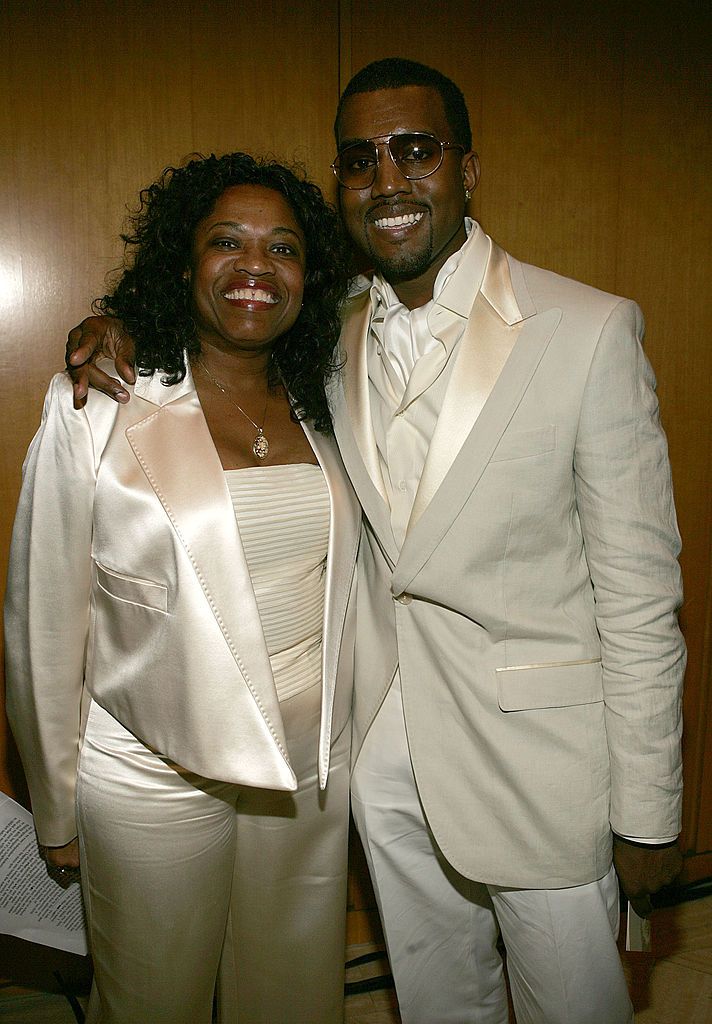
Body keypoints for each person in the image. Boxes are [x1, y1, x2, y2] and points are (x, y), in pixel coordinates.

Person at [64, 59, 685, 1024]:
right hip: (381, 765)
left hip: (544, 770)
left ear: (468, 170)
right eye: (361, 159)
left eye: (416, 150)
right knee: (438, 1004)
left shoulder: (588, 331)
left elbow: (643, 598)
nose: (388, 180)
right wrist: (115, 325)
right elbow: (216, 335)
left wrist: (650, 808)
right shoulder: (331, 326)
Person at [5, 152, 360, 1024]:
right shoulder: (97, 404)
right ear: (184, 261)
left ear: (309, 279)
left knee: (291, 995)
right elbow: (44, 624)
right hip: (152, 771)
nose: (254, 267)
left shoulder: (332, 399)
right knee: (153, 1000)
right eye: (226, 242)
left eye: (283, 249)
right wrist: (55, 809)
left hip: (306, 765)